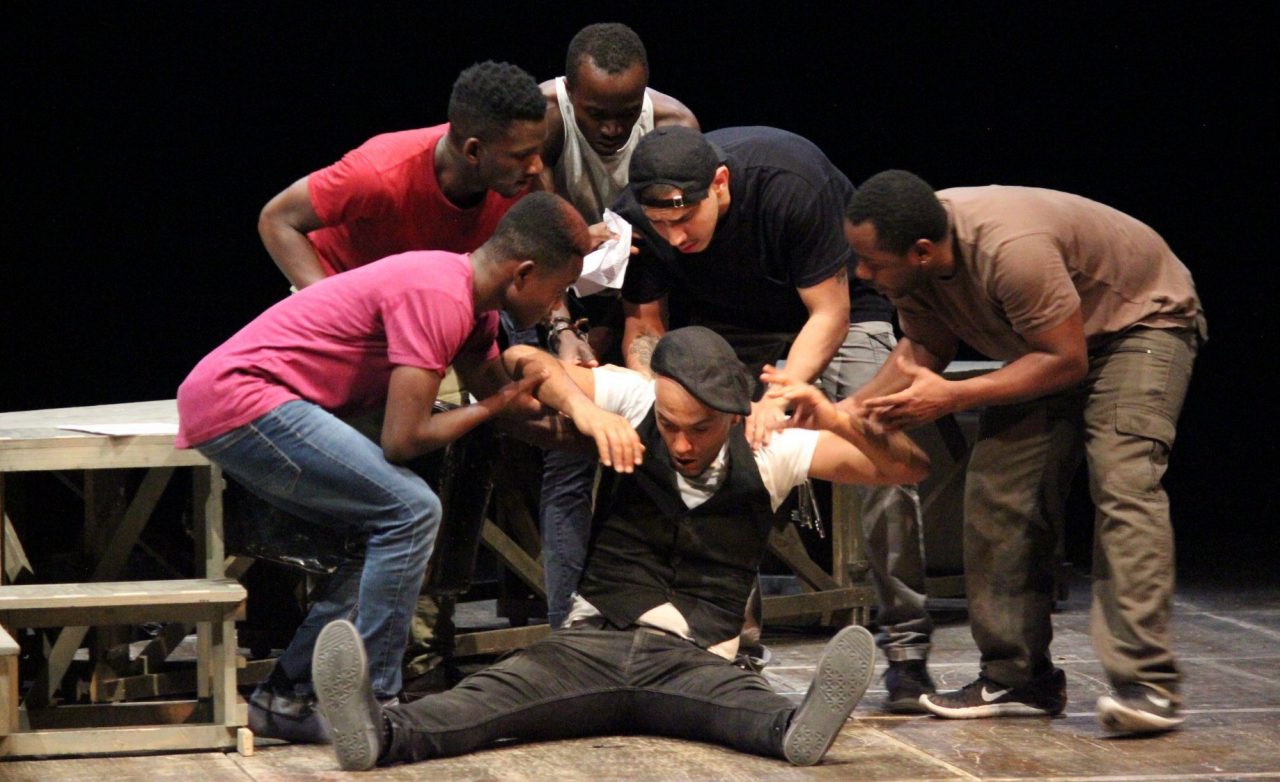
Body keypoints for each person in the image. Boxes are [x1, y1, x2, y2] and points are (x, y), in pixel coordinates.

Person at [308, 326, 931, 770]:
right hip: (590, 641)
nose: (682, 444)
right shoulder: (636, 400)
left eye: (701, 429)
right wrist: (586, 409)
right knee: (490, 698)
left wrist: (834, 415)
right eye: (670, 426)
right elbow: (524, 358)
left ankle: (798, 729)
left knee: (743, 708)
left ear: (736, 414)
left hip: (692, 656)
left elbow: (906, 469)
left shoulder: (775, 449)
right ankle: (379, 733)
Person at [176, 192, 598, 743]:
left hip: (259, 403)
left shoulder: (476, 309)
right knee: (411, 509)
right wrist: (491, 406)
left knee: (384, 532)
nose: (555, 306)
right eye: (557, 288)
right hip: (243, 398)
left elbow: (512, 408)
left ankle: (287, 698)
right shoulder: (438, 294)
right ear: (523, 273)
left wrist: (595, 434)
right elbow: (406, 440)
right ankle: (376, 701)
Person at [842, 170, 1205, 734]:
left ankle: (1147, 684)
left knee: (1122, 482)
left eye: (872, 263)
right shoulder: (914, 269)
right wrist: (849, 412)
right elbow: (925, 346)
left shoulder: (1011, 251)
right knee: (997, 493)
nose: (862, 274)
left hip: (1139, 324)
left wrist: (954, 397)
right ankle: (1019, 675)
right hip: (1043, 347)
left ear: (919, 251)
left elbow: (1067, 361)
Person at [615, 125, 935, 709]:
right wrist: (654, 391)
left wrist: (783, 393)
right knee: (702, 454)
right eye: (659, 224)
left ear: (719, 184)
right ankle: (734, 644)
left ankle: (907, 649)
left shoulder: (788, 182)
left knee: (877, 440)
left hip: (835, 317)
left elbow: (829, 313)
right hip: (724, 333)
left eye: (684, 218)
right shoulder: (636, 217)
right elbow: (645, 326)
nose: (674, 235)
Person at [535, 22, 699, 631]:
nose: (610, 128)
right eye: (596, 113)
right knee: (570, 450)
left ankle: (671, 614)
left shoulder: (676, 126)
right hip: (552, 290)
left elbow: (679, 248)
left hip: (644, 294)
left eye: (625, 114)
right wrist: (564, 328)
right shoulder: (545, 117)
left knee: (668, 438)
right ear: (571, 95)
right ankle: (565, 625)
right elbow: (536, 238)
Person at [257, 60, 547, 289]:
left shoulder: (520, 181)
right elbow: (278, 219)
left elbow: (540, 254)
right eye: (522, 155)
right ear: (473, 152)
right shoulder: (377, 173)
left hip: (422, 304)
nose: (536, 166)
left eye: (537, 152)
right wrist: (332, 306)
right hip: (339, 294)